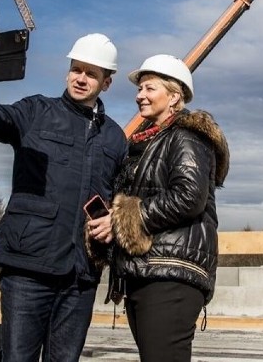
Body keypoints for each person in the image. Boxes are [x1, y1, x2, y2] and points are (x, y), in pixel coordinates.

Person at [0, 32, 127, 362]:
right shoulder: (36, 112)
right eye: (77, 69)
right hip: (28, 268)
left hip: (81, 275)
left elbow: (121, 197)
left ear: (107, 83)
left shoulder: (115, 138)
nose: (81, 78)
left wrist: (115, 222)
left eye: (91, 73)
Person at [86, 54, 229, 362]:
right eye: (140, 90)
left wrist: (122, 219)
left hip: (172, 275)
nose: (140, 96)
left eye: (150, 89)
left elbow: (190, 197)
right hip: (149, 272)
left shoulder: (186, 136)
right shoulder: (148, 143)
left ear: (174, 96)